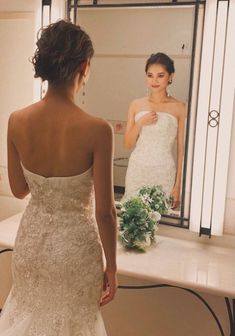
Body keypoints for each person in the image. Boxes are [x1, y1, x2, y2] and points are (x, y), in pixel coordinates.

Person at [0, 20, 117, 335]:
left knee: (27, 312)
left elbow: (19, 189)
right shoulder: (98, 130)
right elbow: (105, 212)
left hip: (31, 245)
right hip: (74, 253)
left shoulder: (17, 120)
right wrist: (113, 268)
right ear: (84, 66)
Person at [123, 52, 186, 209]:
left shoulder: (180, 108)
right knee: (134, 218)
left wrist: (178, 185)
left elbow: (182, 151)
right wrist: (140, 124)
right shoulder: (136, 105)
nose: (154, 80)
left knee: (162, 218)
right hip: (137, 170)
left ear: (170, 77)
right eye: (150, 75)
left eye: (160, 75)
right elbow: (127, 144)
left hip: (164, 171)